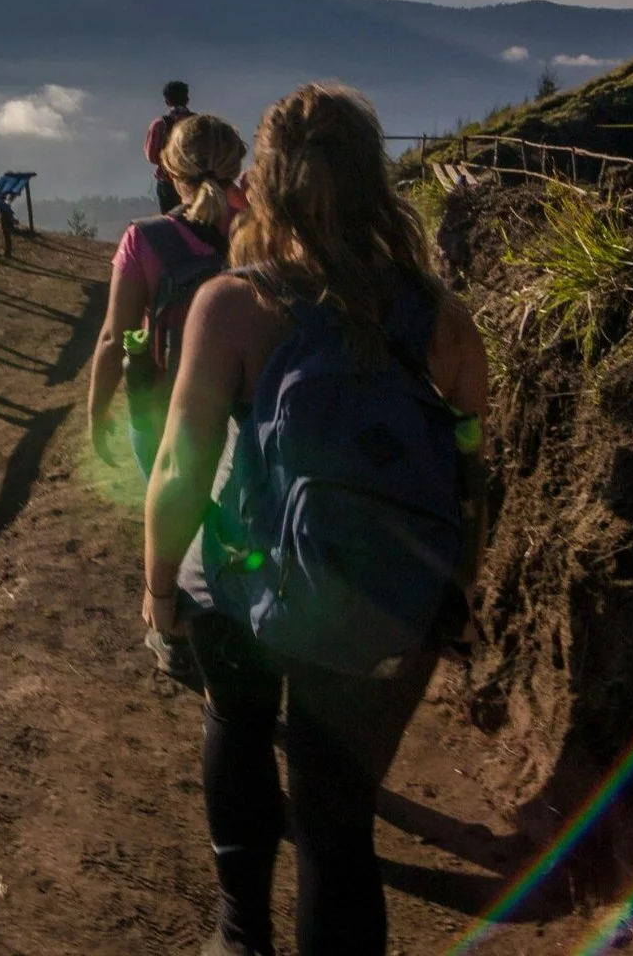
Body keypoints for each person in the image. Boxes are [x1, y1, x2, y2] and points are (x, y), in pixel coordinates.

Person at [142, 83, 489, 956]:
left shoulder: (230, 305)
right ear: (376, 182)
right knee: (337, 824)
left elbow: (181, 468)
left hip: (242, 582)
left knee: (239, 727)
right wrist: (448, 590)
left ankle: (239, 934)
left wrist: (157, 591)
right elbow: (471, 472)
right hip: (376, 599)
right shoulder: (445, 322)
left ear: (259, 187)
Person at [86, 112, 247, 686]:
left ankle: (174, 632)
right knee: (225, 511)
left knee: (169, 509)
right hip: (238, 406)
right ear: (238, 168)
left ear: (168, 170)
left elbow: (115, 336)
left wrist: (98, 411)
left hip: (159, 405)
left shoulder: (145, 241)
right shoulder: (258, 230)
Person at [144, 81, 193, 213]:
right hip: (196, 182)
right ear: (187, 100)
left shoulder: (160, 124)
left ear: (167, 101)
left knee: (170, 222)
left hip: (167, 181)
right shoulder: (200, 123)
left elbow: (152, 156)